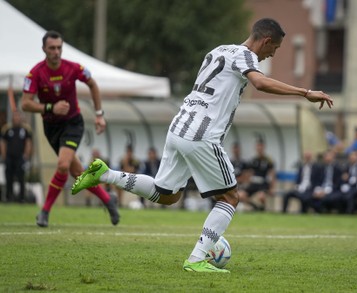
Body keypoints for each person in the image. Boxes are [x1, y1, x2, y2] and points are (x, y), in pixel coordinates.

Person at [72, 18, 333, 273]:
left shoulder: (217, 51)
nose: (269, 55)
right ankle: (197, 258)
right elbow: (261, 83)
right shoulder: (246, 55)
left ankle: (105, 174)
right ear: (265, 41)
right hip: (202, 134)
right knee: (230, 198)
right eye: (273, 49)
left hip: (179, 127)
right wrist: (304, 93)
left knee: (168, 194)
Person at [20, 30, 119, 227]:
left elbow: (93, 84)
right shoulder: (36, 73)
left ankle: (44, 212)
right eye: (52, 48)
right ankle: (108, 200)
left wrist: (99, 114)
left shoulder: (73, 68)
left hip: (73, 123)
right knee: (76, 171)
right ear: (44, 49)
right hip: (51, 126)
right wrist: (50, 107)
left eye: (59, 48)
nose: (56, 52)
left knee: (63, 165)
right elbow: (25, 104)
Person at [0, 111, 32, 202]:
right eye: (15, 116)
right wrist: (4, 156)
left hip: (20, 157)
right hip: (9, 157)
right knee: (8, 177)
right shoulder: (6, 129)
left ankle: (21, 197)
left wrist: (25, 156)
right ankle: (8, 197)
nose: (17, 118)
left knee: (21, 177)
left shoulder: (25, 129)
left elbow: (28, 143)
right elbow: (3, 143)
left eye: (18, 116)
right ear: (12, 118)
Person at [238, 138, 276, 211]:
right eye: (258, 146)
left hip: (263, 184)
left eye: (261, 146)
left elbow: (272, 174)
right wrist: (246, 183)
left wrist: (272, 188)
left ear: (263, 147)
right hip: (253, 183)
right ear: (256, 148)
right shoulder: (253, 160)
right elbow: (248, 173)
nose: (259, 148)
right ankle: (254, 206)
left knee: (261, 197)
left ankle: (263, 209)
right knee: (241, 195)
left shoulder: (268, 160)